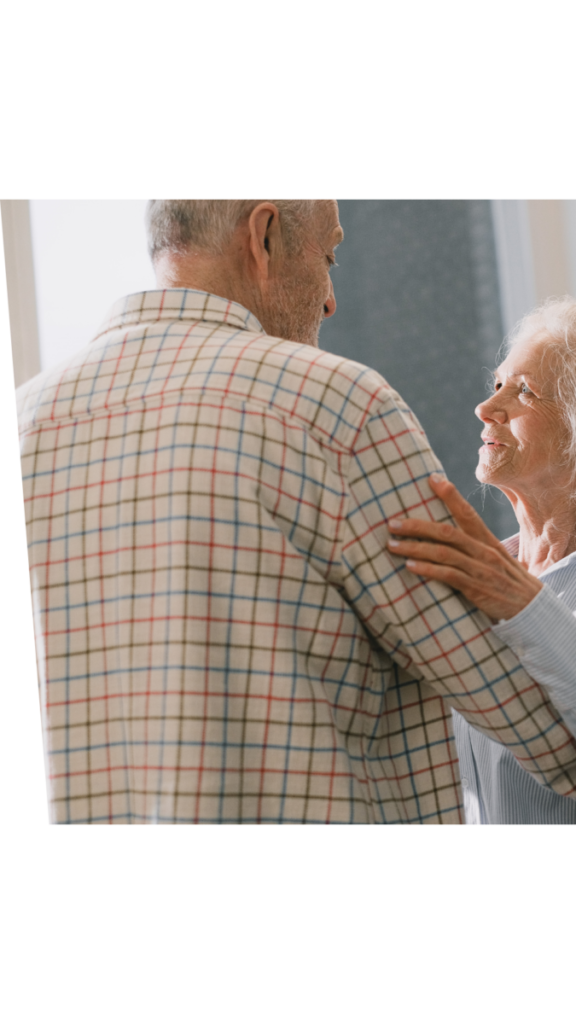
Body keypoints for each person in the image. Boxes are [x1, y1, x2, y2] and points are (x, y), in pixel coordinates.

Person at [16, 198, 576, 826]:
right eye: (330, 256)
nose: (332, 298)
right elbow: (549, 737)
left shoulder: (31, 424)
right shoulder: (338, 407)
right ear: (264, 234)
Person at [387, 298, 576, 825]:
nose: (485, 408)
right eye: (497, 385)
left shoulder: (505, 589)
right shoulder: (477, 578)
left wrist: (522, 603)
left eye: (523, 392)